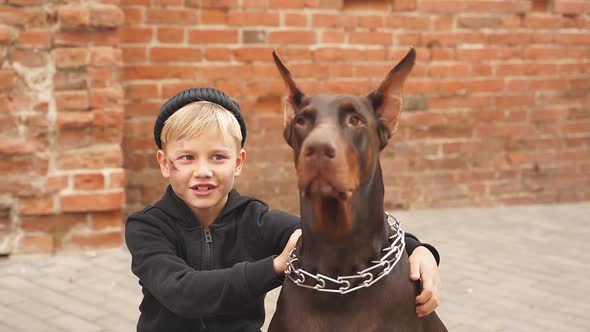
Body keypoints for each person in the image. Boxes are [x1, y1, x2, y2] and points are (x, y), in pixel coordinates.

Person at [125, 88, 442, 332]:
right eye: (187, 158)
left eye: (218, 157)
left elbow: (338, 234)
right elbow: (183, 292)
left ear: (239, 164)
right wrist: (275, 267)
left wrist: (419, 249)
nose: (203, 171)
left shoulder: (255, 219)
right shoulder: (147, 228)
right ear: (165, 164)